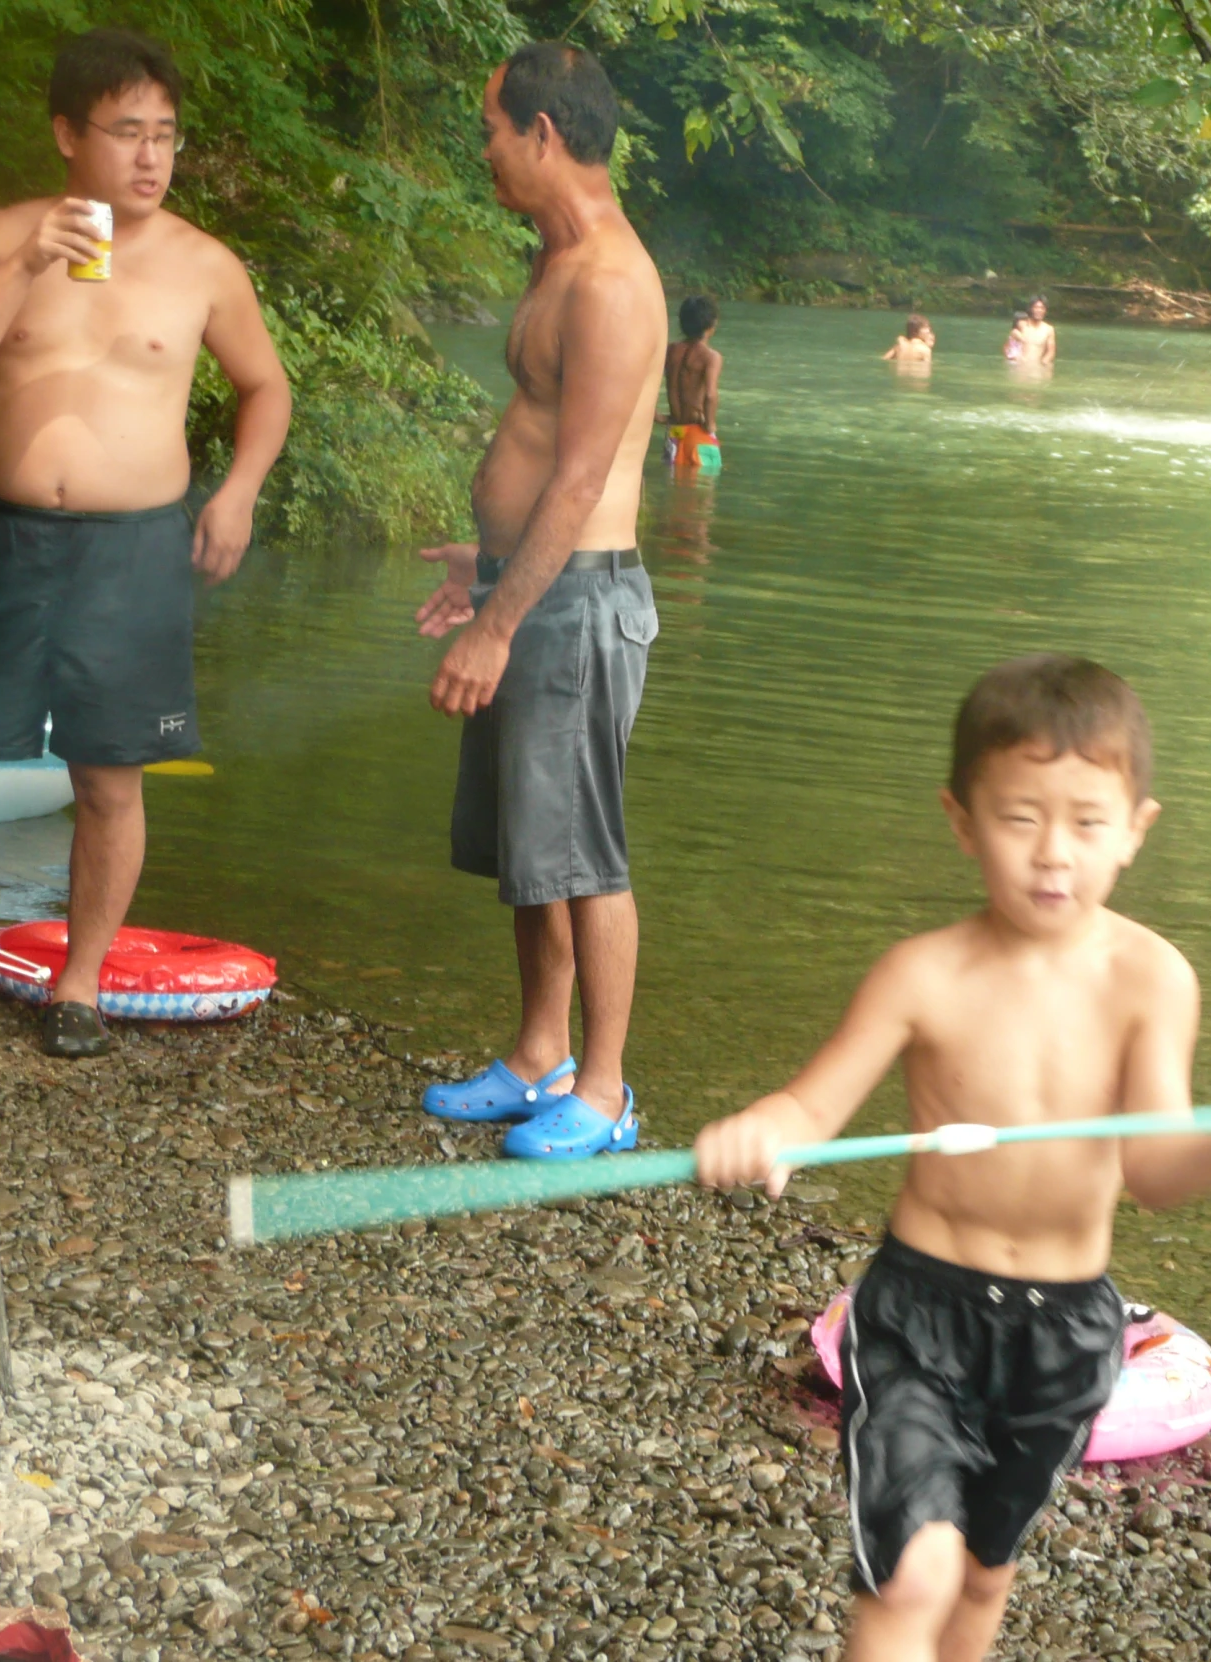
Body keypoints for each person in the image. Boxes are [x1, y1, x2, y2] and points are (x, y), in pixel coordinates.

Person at [693, 654, 1211, 1662]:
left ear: (1134, 829)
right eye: (1018, 818)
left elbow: (1156, 1174)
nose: (1052, 854)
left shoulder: (1151, 981)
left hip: (1065, 1333)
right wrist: (765, 1128)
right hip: (918, 1315)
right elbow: (810, 1104)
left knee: (982, 1576)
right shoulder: (922, 974)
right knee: (910, 1577)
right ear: (960, 821)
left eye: (1086, 822)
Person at [0, 27, 291, 1058]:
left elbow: (265, 387)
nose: (151, 157)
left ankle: (78, 988)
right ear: (67, 134)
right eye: (127, 133)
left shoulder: (203, 264)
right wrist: (31, 262)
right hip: (9, 538)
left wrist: (239, 491)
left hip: (135, 551)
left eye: (165, 135)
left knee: (108, 779)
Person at [415, 43, 666, 1161]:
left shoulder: (613, 279)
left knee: (586, 855)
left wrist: (497, 623)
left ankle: (606, 1095)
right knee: (533, 847)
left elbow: (582, 475)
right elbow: (534, 455)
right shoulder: (552, 262)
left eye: (492, 130)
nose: (484, 152)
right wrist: (484, 564)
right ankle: (536, 1058)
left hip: (578, 605)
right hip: (530, 588)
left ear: (544, 135)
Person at [663, 294, 722, 473]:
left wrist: (656, 415)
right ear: (711, 325)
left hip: (674, 433)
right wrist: (710, 424)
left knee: (674, 489)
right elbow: (710, 395)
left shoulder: (670, 351)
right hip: (698, 433)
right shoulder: (711, 357)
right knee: (704, 492)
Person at [1014, 296, 1057, 366]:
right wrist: (1016, 359)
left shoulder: (1049, 329)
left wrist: (1043, 363)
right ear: (1031, 309)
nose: (1039, 310)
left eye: (1042, 308)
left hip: (1038, 366)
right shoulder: (1022, 325)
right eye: (1036, 307)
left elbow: (1051, 352)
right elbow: (1010, 345)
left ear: (1045, 310)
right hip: (1019, 365)